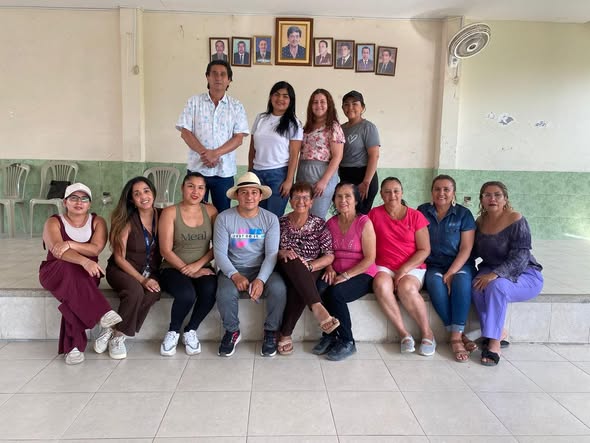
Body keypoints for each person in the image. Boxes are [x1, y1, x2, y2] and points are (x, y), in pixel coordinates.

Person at [39, 183, 122, 365]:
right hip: (55, 272)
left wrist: (70, 244)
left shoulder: (98, 221)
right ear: (65, 202)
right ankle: (101, 312)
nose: (79, 202)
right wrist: (84, 261)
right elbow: (57, 251)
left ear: (89, 204)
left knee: (73, 293)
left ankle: (73, 347)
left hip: (87, 274)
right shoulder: (53, 222)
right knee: (69, 269)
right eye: (74, 198)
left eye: (84, 199)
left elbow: (95, 249)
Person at [214, 172, 287, 357]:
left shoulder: (270, 219)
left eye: (254, 192)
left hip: (262, 268)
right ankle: (232, 331)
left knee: (279, 289)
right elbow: (219, 254)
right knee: (224, 293)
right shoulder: (224, 218)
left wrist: (261, 279)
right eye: (244, 192)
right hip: (232, 268)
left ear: (260, 196)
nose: (249, 197)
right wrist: (234, 275)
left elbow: (271, 254)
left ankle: (271, 332)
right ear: (237, 196)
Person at [472, 181, 543, 366]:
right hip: (490, 269)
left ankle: (494, 343)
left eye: (497, 195)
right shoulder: (480, 222)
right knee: (476, 286)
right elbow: (472, 251)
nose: (492, 199)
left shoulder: (516, 219)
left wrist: (496, 274)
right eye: (487, 195)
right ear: (481, 200)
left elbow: (522, 255)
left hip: (524, 273)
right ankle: (496, 332)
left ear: (505, 199)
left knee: (496, 287)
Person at [369, 177, 436, 356]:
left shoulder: (416, 216)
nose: (392, 195)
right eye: (387, 192)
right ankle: (403, 333)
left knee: (406, 287)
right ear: (381, 195)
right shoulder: (374, 215)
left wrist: (403, 270)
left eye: (396, 191)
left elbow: (424, 249)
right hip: (384, 265)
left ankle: (427, 333)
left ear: (402, 193)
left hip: (412, 266)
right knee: (381, 285)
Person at [101, 177, 162, 360]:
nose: (143, 196)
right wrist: (142, 280)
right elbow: (119, 258)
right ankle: (118, 338)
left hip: (150, 270)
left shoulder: (163, 215)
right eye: (137, 194)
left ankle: (113, 330)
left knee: (153, 293)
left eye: (146, 191)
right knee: (136, 292)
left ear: (153, 193)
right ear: (131, 200)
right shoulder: (126, 220)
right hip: (122, 270)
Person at [314, 182, 377, 360]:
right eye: (339, 196)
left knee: (336, 293)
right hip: (335, 270)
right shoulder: (331, 223)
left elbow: (370, 258)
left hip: (362, 273)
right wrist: (329, 268)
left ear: (356, 200)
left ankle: (347, 341)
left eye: (348, 196)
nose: (343, 200)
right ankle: (330, 335)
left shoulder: (364, 223)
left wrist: (346, 275)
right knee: (318, 289)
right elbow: (326, 251)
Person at [176, 60, 249, 212]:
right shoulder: (194, 102)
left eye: (223, 74)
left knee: (222, 214)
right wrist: (205, 153)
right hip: (197, 169)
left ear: (229, 80)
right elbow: (185, 132)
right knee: (194, 212)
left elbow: (238, 138)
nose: (218, 78)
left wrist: (215, 154)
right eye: (214, 73)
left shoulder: (236, 106)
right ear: (207, 77)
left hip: (224, 171)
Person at [417, 175, 477, 362]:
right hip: (434, 264)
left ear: (454, 193)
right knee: (435, 284)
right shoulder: (422, 211)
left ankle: (455, 338)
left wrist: (451, 272)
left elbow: (466, 248)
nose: (441, 193)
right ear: (431, 192)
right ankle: (459, 334)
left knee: (461, 281)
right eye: (437, 189)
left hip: (460, 263)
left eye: (446, 189)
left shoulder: (464, 214)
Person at [158, 172, 218, 356]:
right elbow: (165, 251)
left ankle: (191, 329)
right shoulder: (169, 212)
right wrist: (189, 271)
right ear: (182, 188)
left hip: (202, 266)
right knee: (186, 294)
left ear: (205, 191)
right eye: (191, 186)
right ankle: (173, 331)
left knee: (210, 291)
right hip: (172, 267)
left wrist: (198, 266)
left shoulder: (211, 211)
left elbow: (218, 246)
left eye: (201, 188)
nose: (195, 191)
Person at [276, 182, 339, 355]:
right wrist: (282, 252)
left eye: (305, 198)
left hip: (312, 267)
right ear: (290, 201)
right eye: (297, 197)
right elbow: (270, 249)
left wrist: (311, 265)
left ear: (311, 202)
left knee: (301, 283)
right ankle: (317, 306)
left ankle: (285, 334)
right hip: (285, 265)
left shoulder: (319, 224)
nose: (301, 201)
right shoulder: (280, 223)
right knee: (292, 258)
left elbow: (329, 255)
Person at [248, 81, 303, 217]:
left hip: (278, 175)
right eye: (276, 94)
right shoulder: (261, 118)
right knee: (255, 215)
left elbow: (294, 154)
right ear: (270, 97)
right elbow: (252, 148)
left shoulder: (294, 123)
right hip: (257, 173)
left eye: (285, 96)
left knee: (273, 217)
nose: (280, 99)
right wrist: (250, 172)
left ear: (291, 100)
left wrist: (289, 180)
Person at [297, 88, 344, 219]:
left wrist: (324, 181)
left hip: (322, 174)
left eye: (322, 102)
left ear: (329, 105)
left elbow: (338, 156)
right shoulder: (306, 128)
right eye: (315, 102)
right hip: (303, 173)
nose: (318, 105)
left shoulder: (333, 127)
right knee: (302, 216)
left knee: (316, 218)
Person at [339, 90, 380, 214]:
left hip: (363, 176)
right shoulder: (340, 128)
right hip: (345, 175)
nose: (350, 107)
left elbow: (374, 156)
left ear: (362, 107)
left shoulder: (368, 127)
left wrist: (366, 182)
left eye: (354, 104)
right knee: (345, 215)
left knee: (359, 216)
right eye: (346, 104)